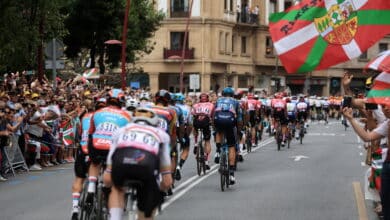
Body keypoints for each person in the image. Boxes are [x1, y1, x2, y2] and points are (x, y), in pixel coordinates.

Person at [103, 108, 172, 220]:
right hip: (146, 167)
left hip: (121, 164)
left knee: (117, 188)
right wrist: (159, 192)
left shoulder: (121, 130)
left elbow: (110, 162)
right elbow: (167, 179)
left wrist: (107, 181)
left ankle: (115, 217)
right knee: (148, 206)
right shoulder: (162, 134)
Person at [86, 89, 132, 202]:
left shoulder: (97, 113)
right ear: (121, 102)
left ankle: (91, 188)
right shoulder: (127, 116)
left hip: (96, 143)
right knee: (112, 166)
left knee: (95, 163)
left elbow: (90, 133)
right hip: (112, 146)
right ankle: (107, 188)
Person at [213, 87, 241, 184]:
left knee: (218, 131)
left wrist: (214, 127)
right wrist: (239, 130)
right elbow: (239, 117)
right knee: (231, 146)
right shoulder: (236, 101)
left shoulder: (218, 100)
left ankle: (217, 151)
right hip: (230, 122)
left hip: (219, 120)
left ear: (223, 94)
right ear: (232, 94)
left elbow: (213, 113)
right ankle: (232, 174)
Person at [192, 93, 214, 170]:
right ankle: (206, 160)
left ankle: (195, 143)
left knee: (194, 127)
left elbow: (193, 114)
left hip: (197, 120)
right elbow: (212, 116)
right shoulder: (211, 105)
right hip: (205, 121)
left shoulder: (195, 105)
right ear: (207, 98)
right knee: (207, 141)